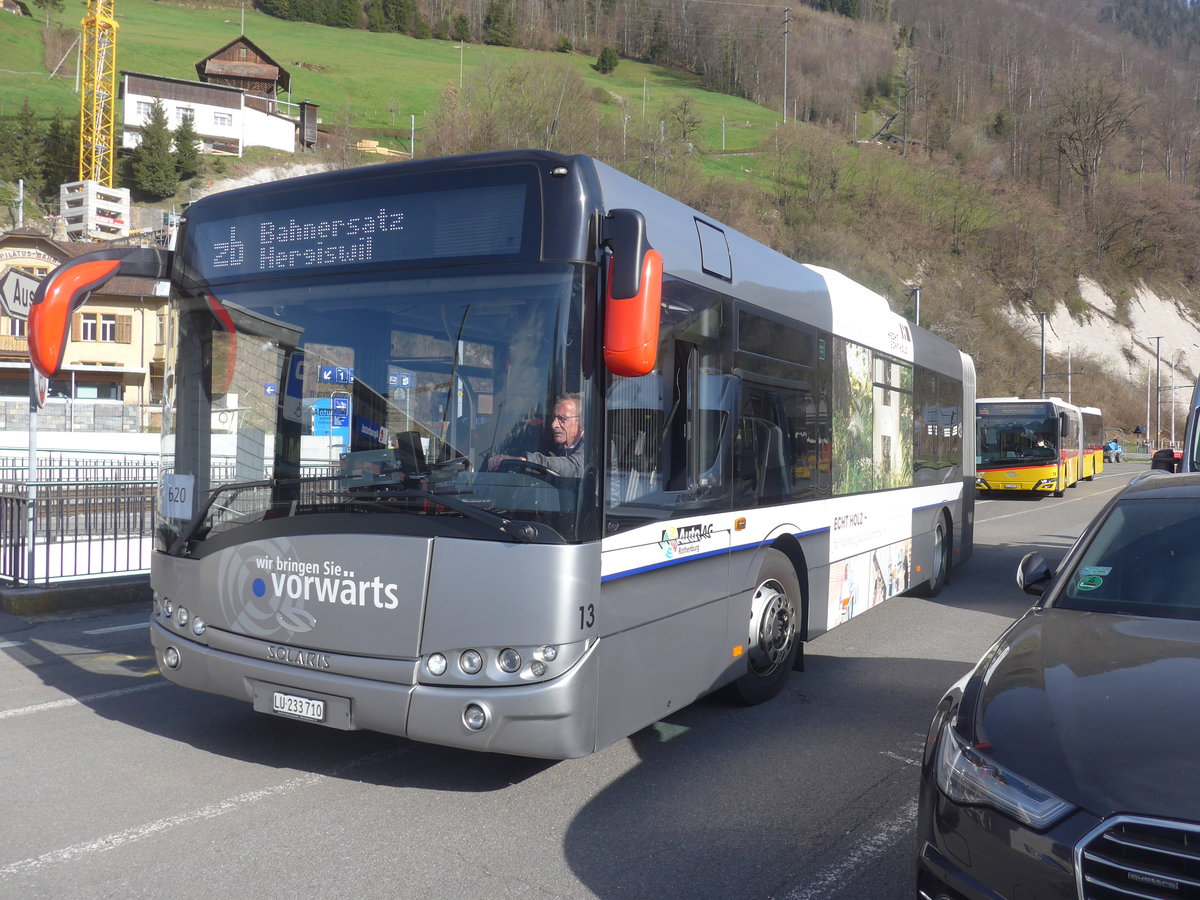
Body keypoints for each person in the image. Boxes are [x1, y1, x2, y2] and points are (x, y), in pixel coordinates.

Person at [488, 394, 585, 477]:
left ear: (581, 423)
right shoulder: (553, 446)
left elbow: (572, 466)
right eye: (554, 418)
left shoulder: (591, 450)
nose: (554, 425)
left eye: (562, 419)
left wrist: (525, 460)